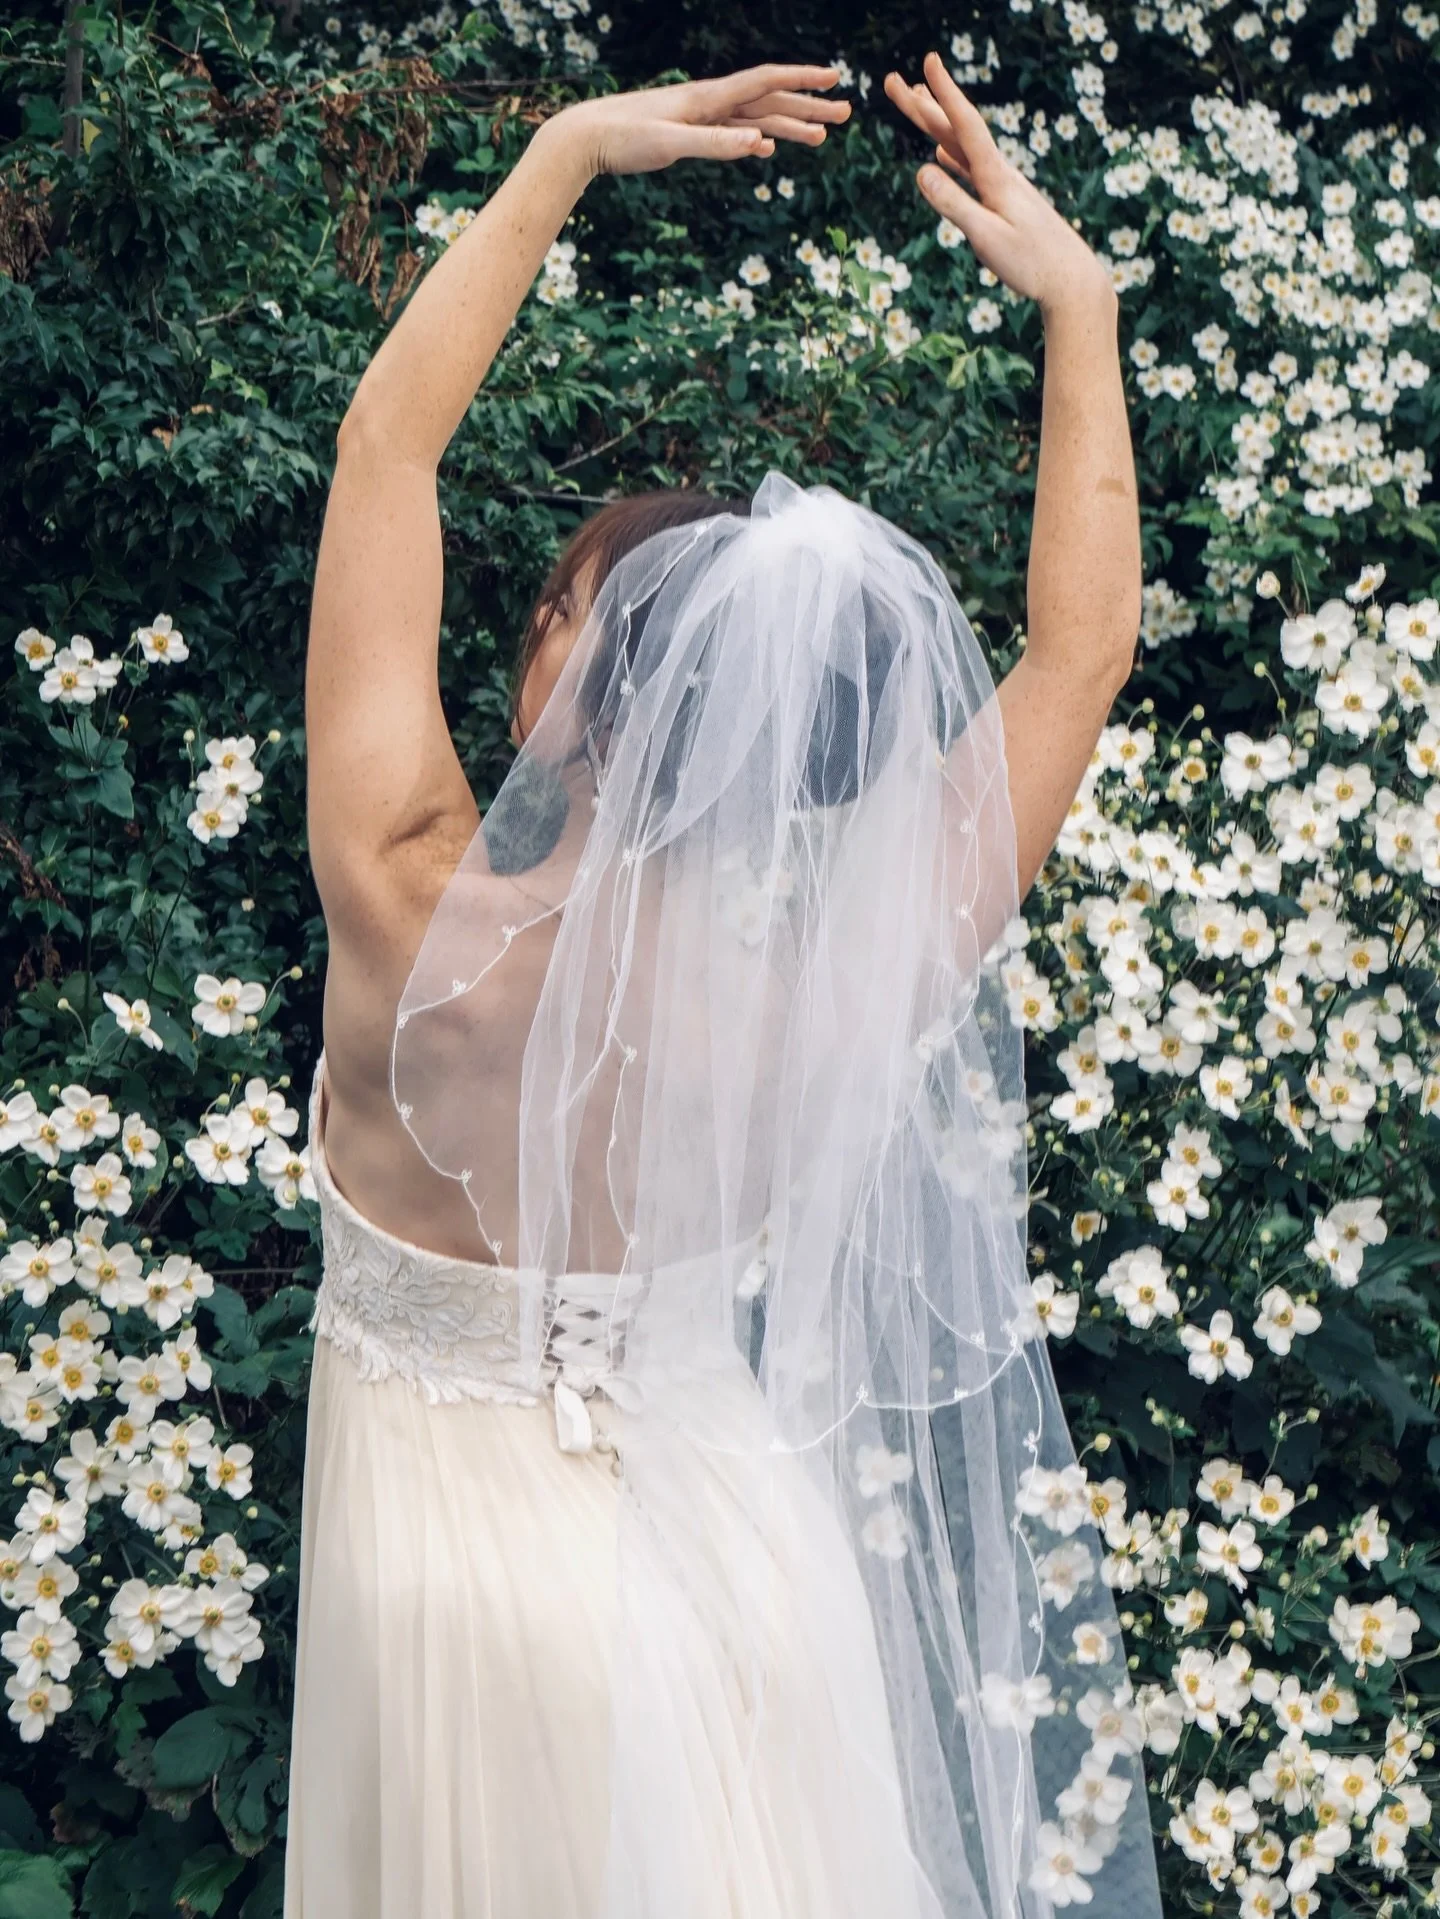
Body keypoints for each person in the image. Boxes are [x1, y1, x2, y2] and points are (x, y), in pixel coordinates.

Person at [287, 52, 1162, 1919]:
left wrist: (561, 155)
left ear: (563, 670)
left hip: (466, 1609)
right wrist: (1080, 309)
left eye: (554, 603)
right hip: (745, 1576)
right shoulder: (826, 984)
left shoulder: (402, 889)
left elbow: (385, 451)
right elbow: (1080, 655)